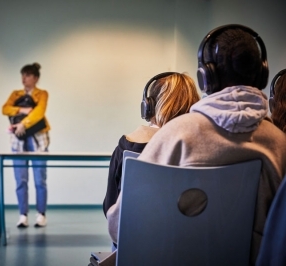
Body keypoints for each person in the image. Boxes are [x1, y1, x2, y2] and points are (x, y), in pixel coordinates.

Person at [107, 24, 286, 265]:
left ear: (205, 77)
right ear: (262, 75)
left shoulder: (175, 135)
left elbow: (120, 227)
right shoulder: (278, 143)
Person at [102, 72, 200, 217]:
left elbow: (110, 207)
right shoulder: (202, 148)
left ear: (148, 106)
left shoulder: (125, 148)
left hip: (134, 236)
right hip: (189, 236)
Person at [2, 62, 50, 228]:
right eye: (23, 75)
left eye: (28, 75)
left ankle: (41, 214)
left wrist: (25, 123)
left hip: (38, 138)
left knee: (39, 179)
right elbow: (5, 108)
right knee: (20, 179)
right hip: (18, 138)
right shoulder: (15, 94)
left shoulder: (42, 94)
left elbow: (39, 112)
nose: (24, 78)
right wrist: (21, 111)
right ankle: (23, 215)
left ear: (36, 78)